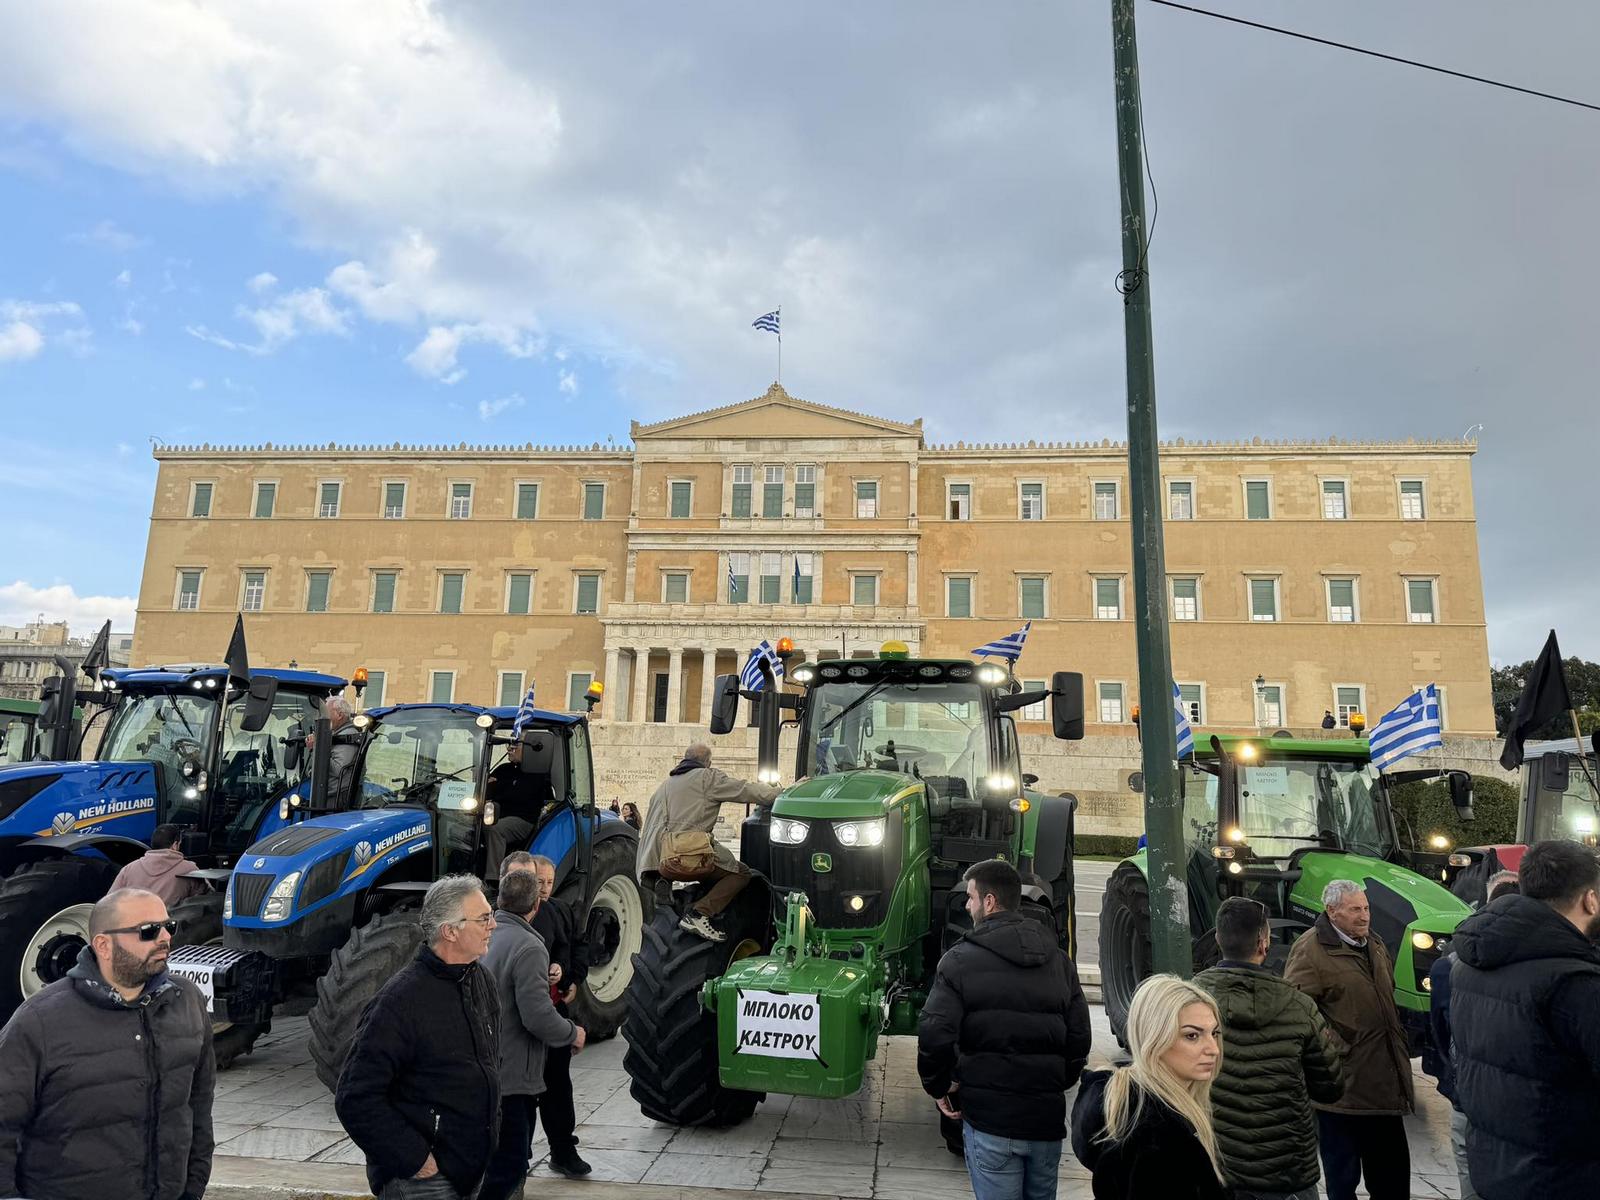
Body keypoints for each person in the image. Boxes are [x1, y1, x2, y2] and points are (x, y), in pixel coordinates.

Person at [0, 887, 215, 1200]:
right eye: (148, 931)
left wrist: (192, 1187)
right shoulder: (40, 1019)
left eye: (169, 926)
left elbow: (198, 1106)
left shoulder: (187, 1001)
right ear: (103, 944)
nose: (165, 938)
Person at [917, 860, 1092, 1200]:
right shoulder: (1059, 962)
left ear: (990, 902)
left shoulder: (959, 960)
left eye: (970, 898)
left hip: (991, 1124)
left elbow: (935, 1033)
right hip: (1045, 1125)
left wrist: (939, 1086)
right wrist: (1052, 1083)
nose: (967, 906)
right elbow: (1079, 1040)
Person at [335, 875, 500, 1199]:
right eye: (484, 918)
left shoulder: (481, 980)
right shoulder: (399, 1002)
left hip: (470, 1172)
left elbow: (491, 1061)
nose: (493, 925)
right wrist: (416, 1160)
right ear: (450, 931)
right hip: (422, 1183)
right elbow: (355, 1097)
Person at [1451, 840, 1600, 1199]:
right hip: (1565, 1180)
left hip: (1496, 1169)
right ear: (1590, 899)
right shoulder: (1576, 983)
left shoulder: (1470, 961)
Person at [1196, 896, 1345, 1200]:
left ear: (1218, 939)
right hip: (1287, 1173)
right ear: (1264, 942)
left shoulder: (1190, 999)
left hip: (1216, 1167)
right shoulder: (1299, 1006)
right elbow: (1330, 1087)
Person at [1284, 880, 1413, 1200]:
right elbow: (1297, 1013)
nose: (1364, 916)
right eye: (1355, 909)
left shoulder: (1375, 943)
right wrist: (1335, 1047)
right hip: (1342, 1092)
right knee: (1343, 1183)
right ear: (1332, 911)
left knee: (1393, 1181)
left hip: (1384, 1085)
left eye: (1366, 908)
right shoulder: (1310, 950)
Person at [1070, 975, 1229, 1200]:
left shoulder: (1125, 1104)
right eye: (1192, 1036)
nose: (1213, 1049)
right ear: (1155, 1039)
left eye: (1214, 1033)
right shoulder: (1160, 1138)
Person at [479, 868, 585, 1200]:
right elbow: (537, 1015)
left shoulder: (486, 936)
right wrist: (572, 1032)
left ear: (498, 901)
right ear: (536, 906)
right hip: (514, 1074)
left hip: (487, 1064)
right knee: (510, 1164)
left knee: (496, 1158)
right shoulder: (528, 946)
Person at [1430, 875, 1519, 1200]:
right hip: (1516, 1102)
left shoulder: (1448, 964)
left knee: (1471, 1178)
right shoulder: (1545, 963)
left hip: (1467, 1095)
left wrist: (1455, 1073)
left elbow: (1439, 1033)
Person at [635, 742, 781, 941]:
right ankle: (700, 913)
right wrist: (784, 792)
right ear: (707, 762)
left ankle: (664, 882)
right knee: (741, 874)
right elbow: (747, 790)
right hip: (686, 853)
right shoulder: (707, 778)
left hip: (653, 860)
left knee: (708, 863)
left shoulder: (665, 785)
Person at [524, 854, 591, 1178]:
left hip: (553, 1010)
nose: (545, 889)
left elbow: (572, 948)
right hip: (522, 1020)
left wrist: (568, 976)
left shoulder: (558, 912)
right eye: (539, 883)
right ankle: (517, 1154)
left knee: (558, 1087)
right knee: (518, 1094)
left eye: (550, 882)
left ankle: (563, 1150)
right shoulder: (507, 917)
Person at [483, 741, 555, 881]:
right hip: (495, 815)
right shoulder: (503, 769)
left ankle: (493, 879)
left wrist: (499, 789)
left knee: (495, 829)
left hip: (523, 820)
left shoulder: (538, 774)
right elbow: (485, 792)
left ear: (530, 748)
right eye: (509, 744)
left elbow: (528, 798)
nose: (510, 748)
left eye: (516, 745)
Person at [110, 823, 206, 907]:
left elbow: (109, 902)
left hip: (133, 925)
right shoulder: (190, 870)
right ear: (175, 845)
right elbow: (205, 900)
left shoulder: (129, 869)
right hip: (169, 926)